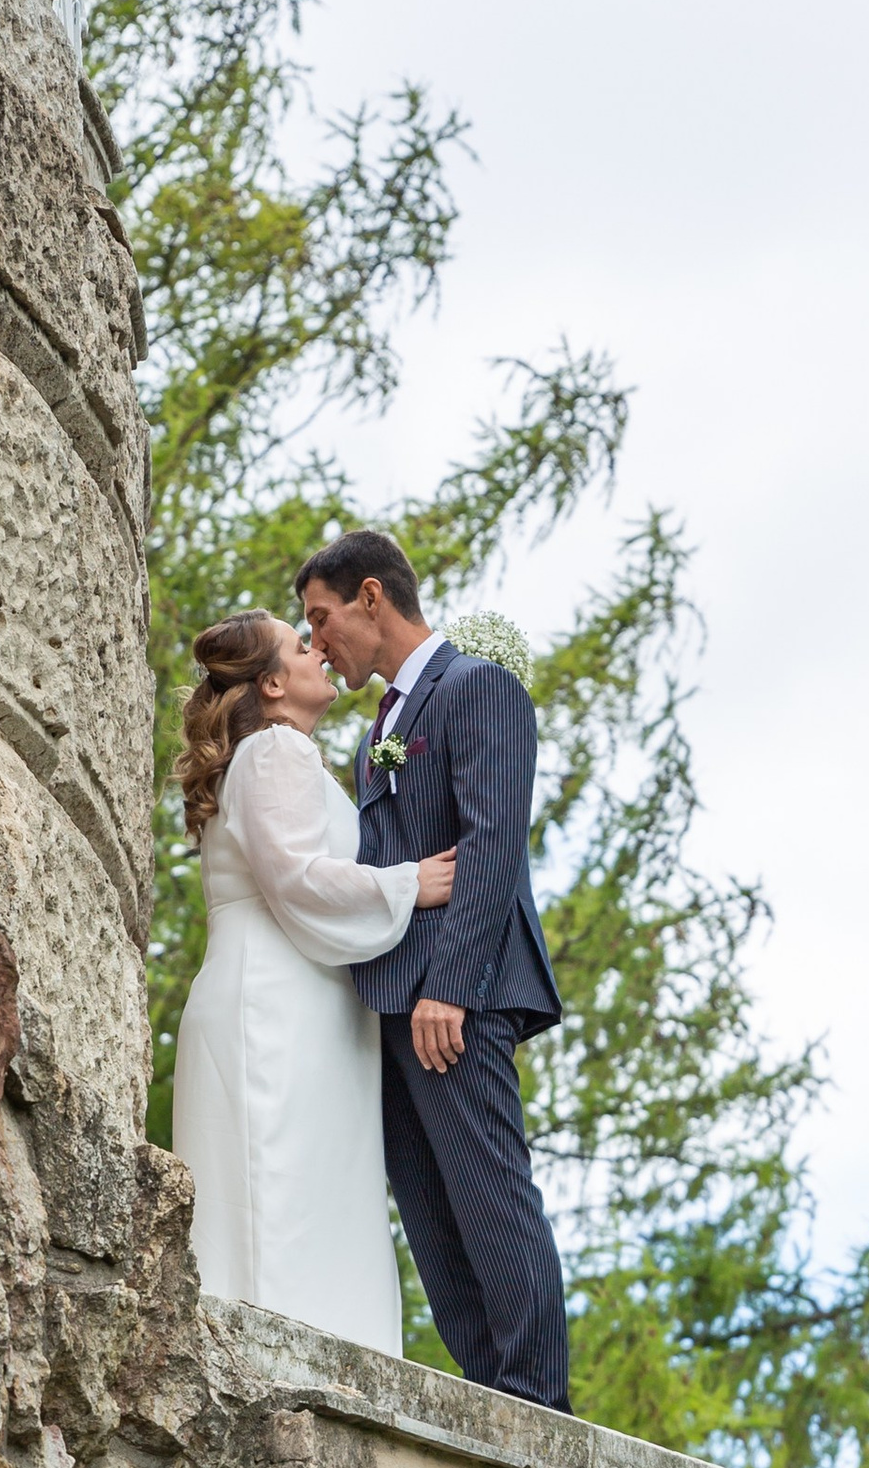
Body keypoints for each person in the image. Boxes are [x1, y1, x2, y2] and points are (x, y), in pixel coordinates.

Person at [296, 529, 571, 1412]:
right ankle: (490, 1396)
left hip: (460, 998)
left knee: (490, 1195)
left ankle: (539, 1406)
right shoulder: (378, 727)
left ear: (372, 596)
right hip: (391, 1009)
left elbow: (493, 846)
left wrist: (447, 986)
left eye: (322, 617)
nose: (318, 642)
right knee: (431, 1216)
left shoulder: (479, 688)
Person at [170, 610, 457, 1355]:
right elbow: (297, 878)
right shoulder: (274, 751)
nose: (318, 651)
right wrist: (409, 885)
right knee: (278, 1197)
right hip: (273, 1005)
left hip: (304, 1001)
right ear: (271, 684)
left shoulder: (277, 754)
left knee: (311, 1197)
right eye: (302, 646)